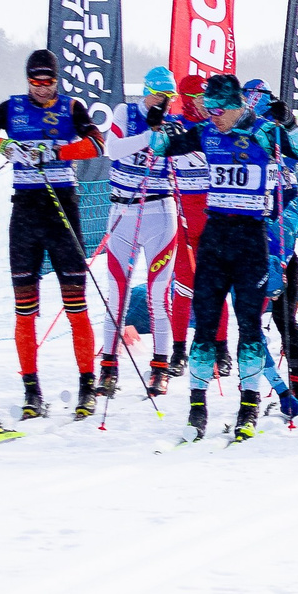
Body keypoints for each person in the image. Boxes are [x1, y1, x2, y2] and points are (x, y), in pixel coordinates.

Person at [138, 72, 298, 439]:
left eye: (216, 108)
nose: (210, 114)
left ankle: (249, 405)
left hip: (251, 239)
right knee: (207, 327)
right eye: (207, 107)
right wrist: (156, 125)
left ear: (236, 105)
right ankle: (198, 407)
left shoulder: (261, 131)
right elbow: (162, 147)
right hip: (215, 238)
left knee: (248, 328)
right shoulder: (207, 132)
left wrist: (290, 123)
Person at [0, 49, 107, 419]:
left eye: (47, 82)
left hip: (62, 210)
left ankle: (87, 387)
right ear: (27, 80)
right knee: (24, 310)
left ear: (57, 80)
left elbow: (97, 144)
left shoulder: (72, 107)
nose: (41, 89)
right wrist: (3, 144)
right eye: (35, 82)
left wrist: (56, 154)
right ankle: (32, 391)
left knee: (76, 305)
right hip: (26, 213)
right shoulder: (11, 109)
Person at [94, 66, 180, 399]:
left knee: (159, 296)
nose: (164, 103)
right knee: (117, 295)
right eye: (160, 96)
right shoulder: (125, 113)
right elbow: (111, 150)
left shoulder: (174, 123)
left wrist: (169, 139)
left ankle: (160, 368)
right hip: (123, 212)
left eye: (170, 98)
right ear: (147, 92)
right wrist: (148, 136)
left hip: (160, 212)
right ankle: (109, 368)